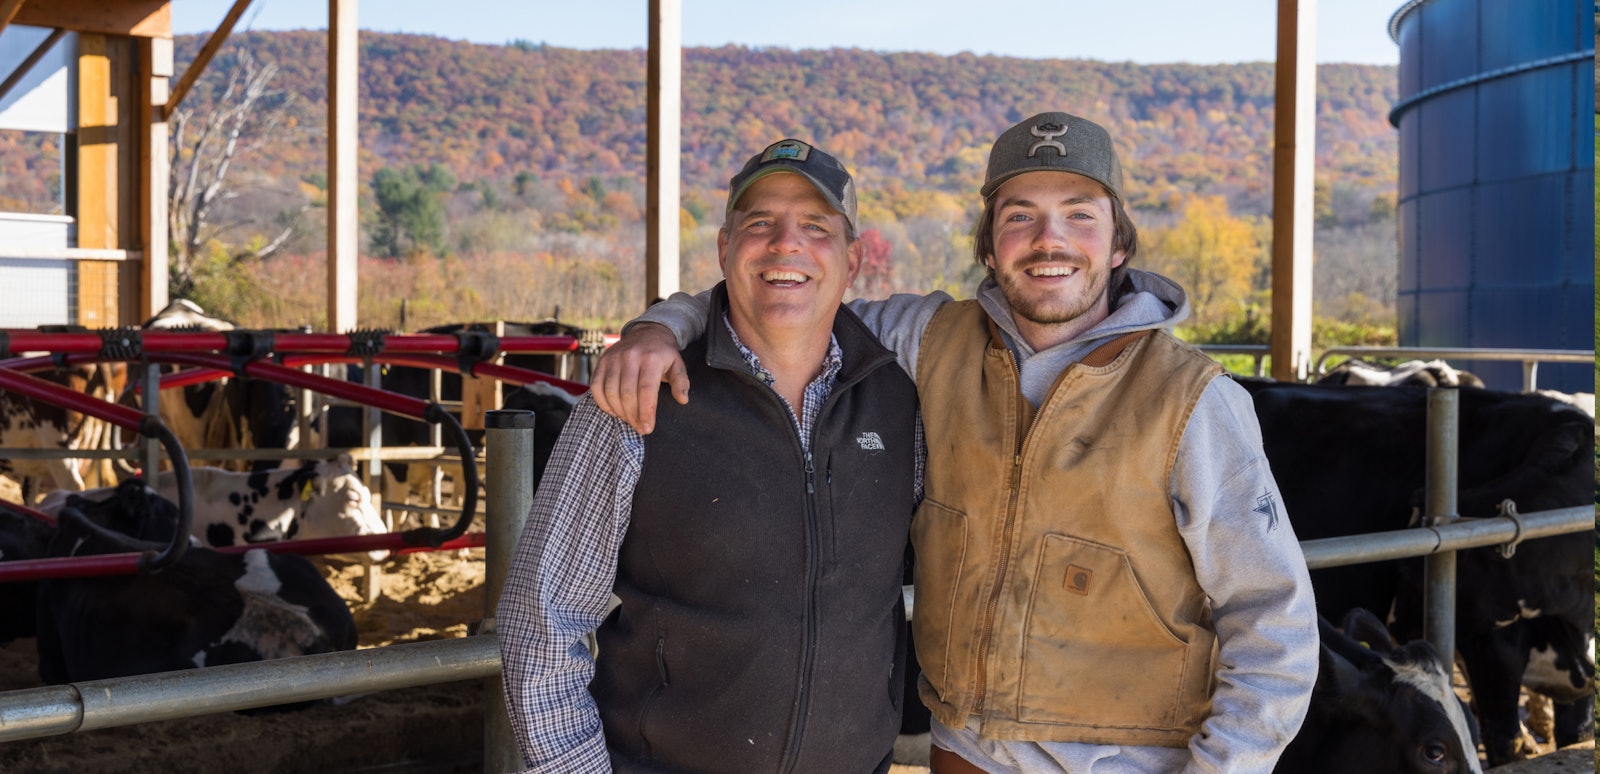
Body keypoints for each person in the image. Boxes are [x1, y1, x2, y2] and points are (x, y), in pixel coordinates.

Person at [591, 112, 1320, 773]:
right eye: (1020, 216)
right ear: (989, 246)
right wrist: (662, 326)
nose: (1050, 240)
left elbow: (1275, 624)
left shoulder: (1193, 400)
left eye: (1079, 215)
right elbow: (781, 294)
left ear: (1119, 241)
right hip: (961, 756)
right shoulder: (931, 339)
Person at [496, 138, 921, 773]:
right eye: (760, 223)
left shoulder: (900, 402)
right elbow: (542, 618)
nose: (786, 244)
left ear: (852, 260)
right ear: (724, 249)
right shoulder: (637, 398)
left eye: (815, 226)